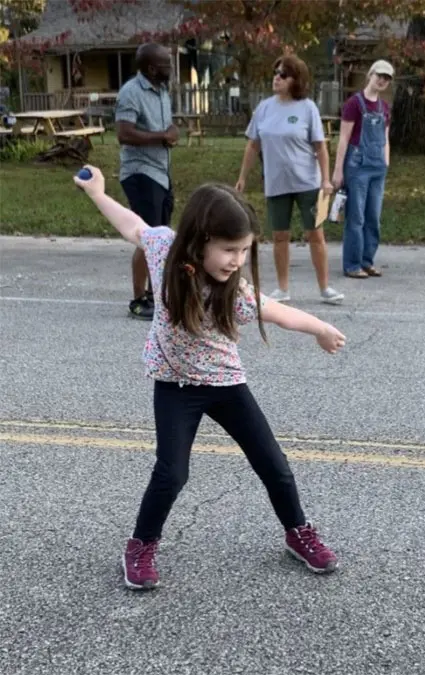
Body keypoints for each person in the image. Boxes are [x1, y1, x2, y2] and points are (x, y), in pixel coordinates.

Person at [74, 165, 347, 591]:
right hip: (175, 385)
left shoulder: (234, 293)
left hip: (225, 384)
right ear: (200, 240)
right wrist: (97, 194)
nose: (237, 261)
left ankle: (298, 532)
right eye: (228, 250)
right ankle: (141, 544)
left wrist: (320, 328)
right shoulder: (165, 250)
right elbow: (133, 227)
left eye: (243, 251)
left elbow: (278, 312)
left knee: (273, 463)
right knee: (172, 472)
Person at [236, 55, 344, 306]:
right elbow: (253, 145)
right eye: (275, 73)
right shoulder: (264, 108)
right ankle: (283, 288)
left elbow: (320, 147)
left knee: (315, 234)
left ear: (296, 79)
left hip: (308, 183)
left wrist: (326, 180)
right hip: (276, 183)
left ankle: (325, 287)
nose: (277, 78)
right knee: (280, 235)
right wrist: (243, 177)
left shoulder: (307, 108)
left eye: (283, 74)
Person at [115, 42, 179, 320]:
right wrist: (161, 137)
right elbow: (124, 133)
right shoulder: (131, 92)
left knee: (159, 237)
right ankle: (140, 299)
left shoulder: (163, 92)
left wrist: (170, 133)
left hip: (161, 172)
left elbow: (165, 129)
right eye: (166, 64)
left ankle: (156, 296)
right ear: (152, 68)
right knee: (149, 236)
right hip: (140, 173)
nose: (170, 68)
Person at [332, 60, 394, 278]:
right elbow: (344, 138)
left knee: (373, 217)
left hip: (378, 167)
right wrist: (338, 171)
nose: (382, 80)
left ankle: (367, 261)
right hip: (357, 167)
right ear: (370, 74)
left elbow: (385, 137)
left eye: (387, 78)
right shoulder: (354, 104)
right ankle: (352, 264)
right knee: (356, 217)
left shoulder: (384, 107)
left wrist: (385, 161)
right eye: (380, 75)